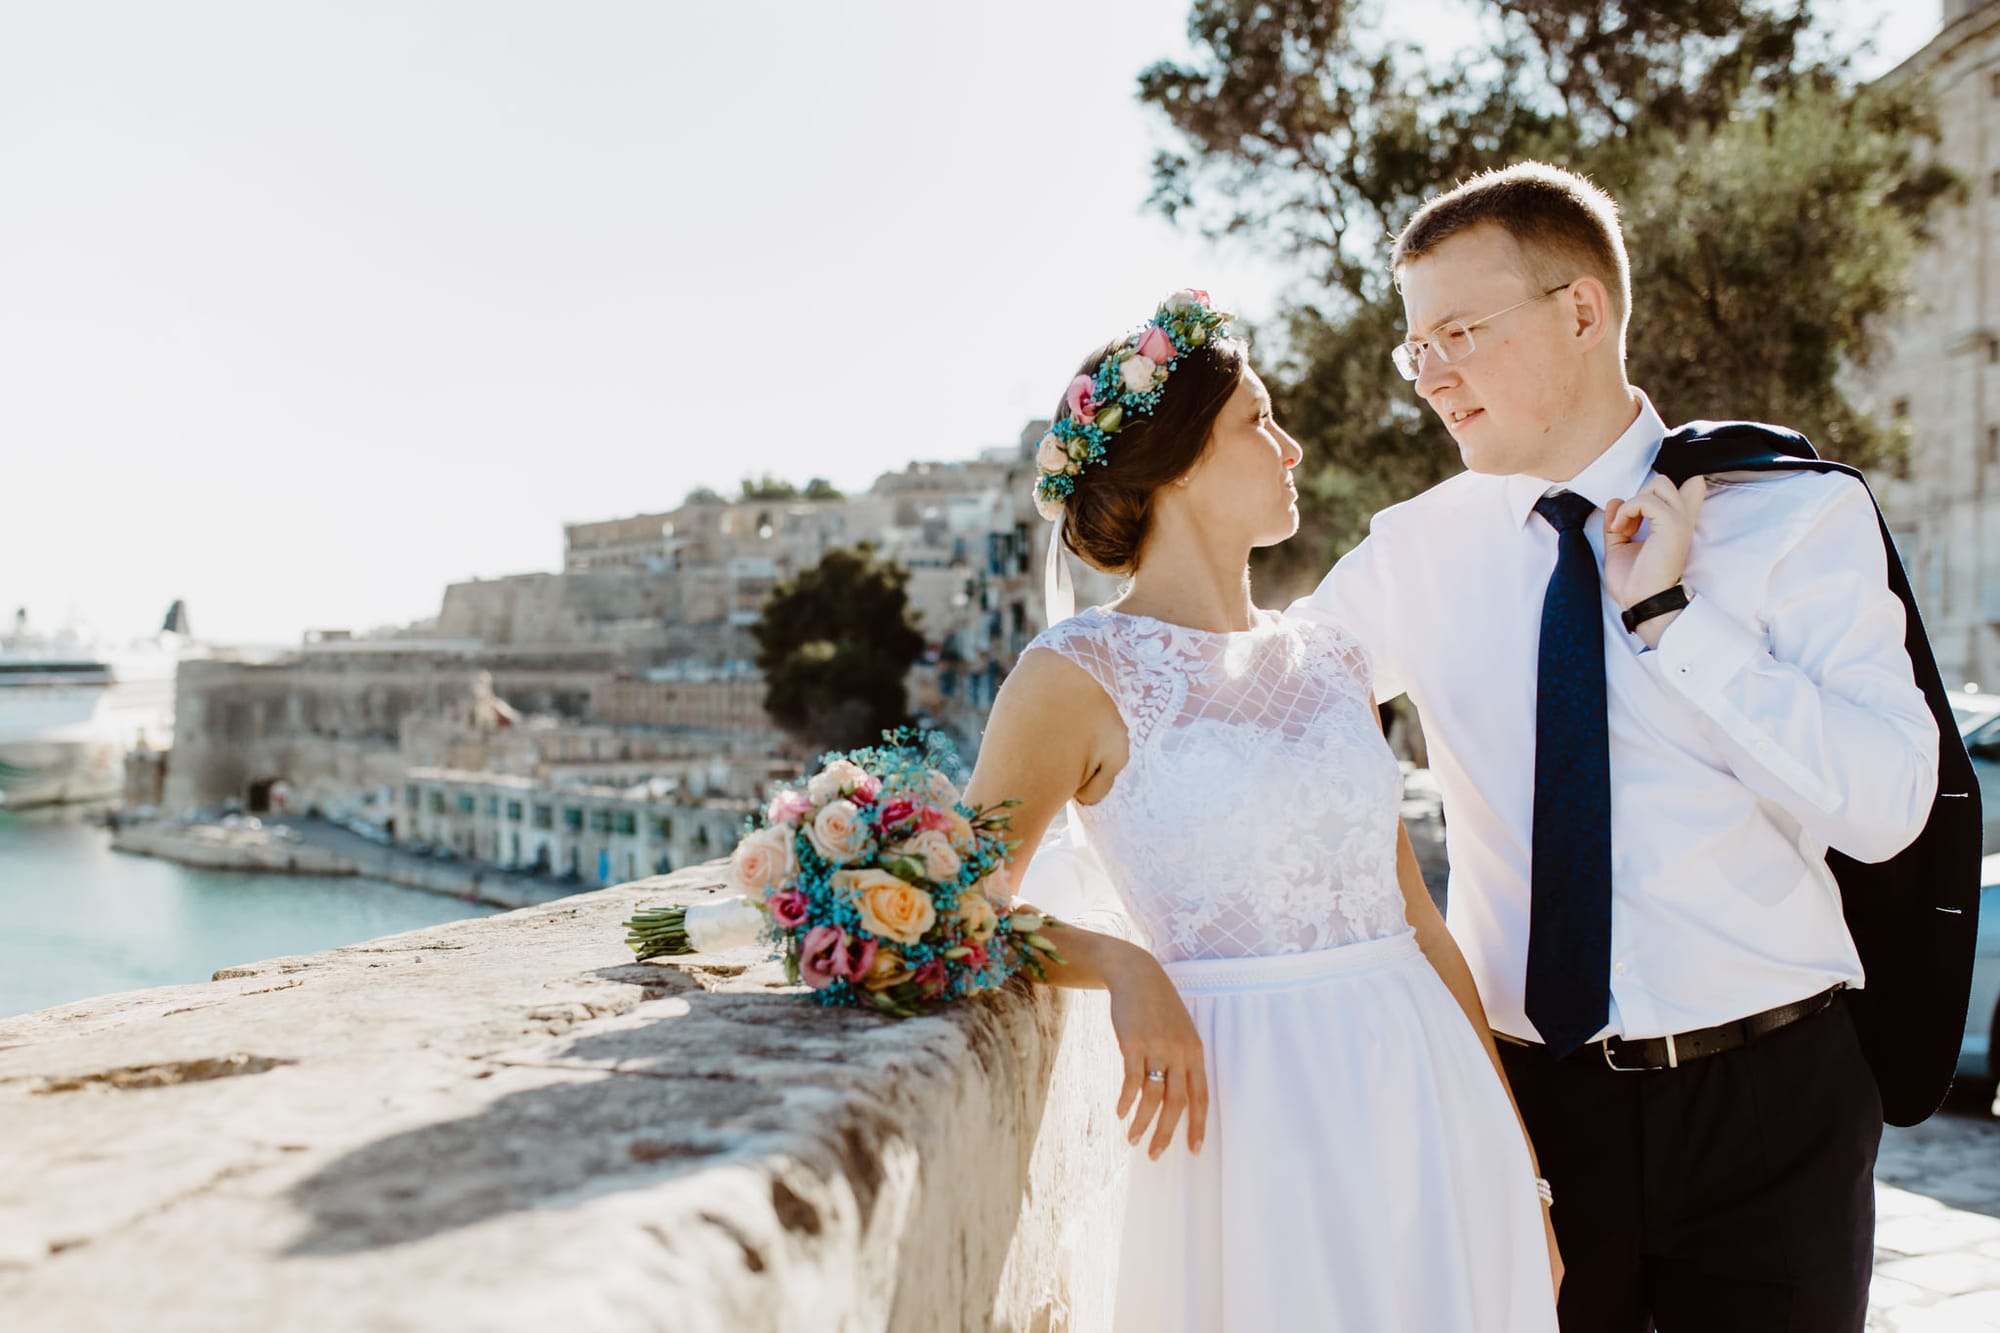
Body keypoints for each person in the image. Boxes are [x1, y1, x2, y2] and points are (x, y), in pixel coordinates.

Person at [1290, 161, 1944, 1332]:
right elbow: (1250, 709)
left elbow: (1890, 805)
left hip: (1771, 1104)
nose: (1428, 373)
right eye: (1413, 346)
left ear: (1580, 311)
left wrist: (1669, 625)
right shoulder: (1412, 552)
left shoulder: (1791, 515)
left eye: (1458, 331)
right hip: (1529, 1114)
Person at [963, 290, 1560, 1331]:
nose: (1288, 445)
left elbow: (1416, 921)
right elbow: (955, 904)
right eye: (1257, 419)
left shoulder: (1329, 658)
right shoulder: (1074, 673)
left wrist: (1521, 1164)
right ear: (1179, 459)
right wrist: (1118, 962)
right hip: (1242, 1115)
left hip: (1421, 1091)